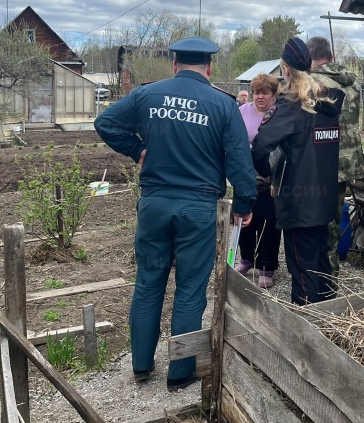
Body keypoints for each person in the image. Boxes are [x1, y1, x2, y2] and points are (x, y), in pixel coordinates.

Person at [94, 37, 256, 389]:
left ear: (174, 65)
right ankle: (180, 373)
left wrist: (138, 149)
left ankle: (141, 366)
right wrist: (244, 204)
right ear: (210, 68)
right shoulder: (223, 105)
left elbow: (105, 122)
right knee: (190, 289)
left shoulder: (147, 95)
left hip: (154, 204)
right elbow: (240, 160)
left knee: (149, 283)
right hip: (197, 209)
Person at [252, 38, 344, 305]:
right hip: (325, 197)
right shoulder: (328, 104)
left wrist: (266, 174)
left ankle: (306, 327)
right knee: (320, 261)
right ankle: (329, 318)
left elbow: (260, 145)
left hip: (298, 201)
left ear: (285, 70)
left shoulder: (290, 108)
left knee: (302, 270)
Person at [307, 37, 364, 282]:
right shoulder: (352, 83)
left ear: (311, 58)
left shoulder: (314, 83)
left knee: (318, 223)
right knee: (334, 218)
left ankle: (322, 278)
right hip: (347, 161)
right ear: (330, 55)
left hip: (323, 162)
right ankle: (331, 275)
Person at [236, 73, 282, 289]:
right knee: (244, 219)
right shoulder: (242, 111)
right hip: (245, 175)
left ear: (274, 95)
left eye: (265, 92)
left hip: (269, 177)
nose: (259, 96)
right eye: (256, 92)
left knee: (268, 221)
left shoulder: (278, 115)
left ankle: (267, 267)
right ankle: (246, 259)